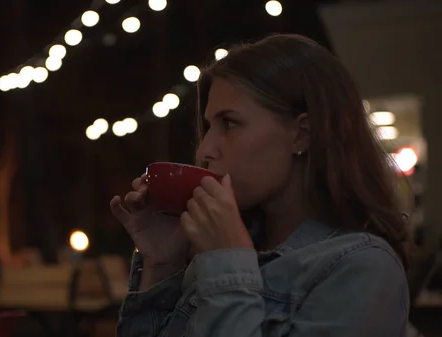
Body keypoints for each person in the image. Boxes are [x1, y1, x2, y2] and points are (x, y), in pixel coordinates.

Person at [110, 34, 412, 337]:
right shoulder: (213, 252)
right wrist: (163, 262)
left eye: (229, 124)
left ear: (301, 134)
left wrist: (228, 263)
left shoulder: (361, 266)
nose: (204, 151)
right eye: (207, 127)